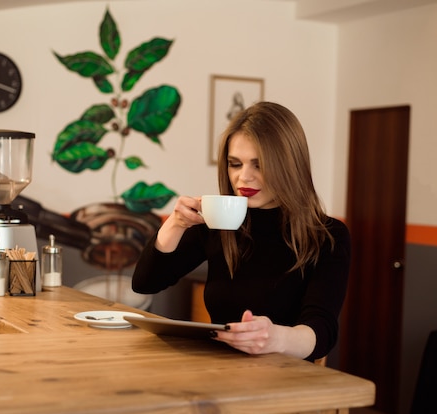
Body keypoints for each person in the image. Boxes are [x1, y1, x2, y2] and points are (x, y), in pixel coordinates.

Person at [132, 101, 350, 361]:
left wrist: (274, 338)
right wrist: (175, 224)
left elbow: (321, 332)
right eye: (235, 164)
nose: (243, 177)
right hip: (218, 371)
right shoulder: (220, 221)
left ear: (289, 166)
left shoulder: (327, 235)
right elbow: (145, 283)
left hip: (287, 379)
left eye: (259, 165)